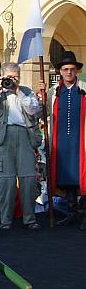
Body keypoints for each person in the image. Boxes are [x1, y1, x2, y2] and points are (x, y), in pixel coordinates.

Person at [0, 61, 42, 230]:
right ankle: (5, 221)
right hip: (3, 136)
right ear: (1, 76)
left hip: (25, 135)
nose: (12, 81)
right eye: (9, 77)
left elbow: (33, 110)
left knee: (28, 178)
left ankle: (29, 219)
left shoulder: (26, 92)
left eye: (16, 77)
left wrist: (18, 91)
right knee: (5, 180)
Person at [42, 51, 86, 229]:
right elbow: (41, 113)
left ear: (77, 71)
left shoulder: (83, 89)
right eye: (65, 69)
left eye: (72, 69)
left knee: (82, 175)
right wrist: (41, 98)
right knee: (66, 175)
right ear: (60, 71)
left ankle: (84, 214)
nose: (69, 72)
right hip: (60, 141)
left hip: (81, 140)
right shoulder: (53, 92)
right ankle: (72, 212)